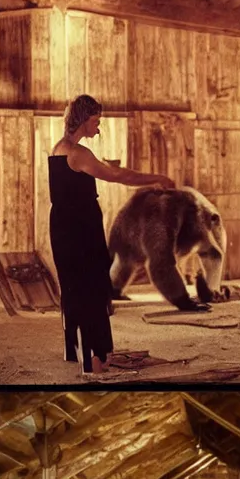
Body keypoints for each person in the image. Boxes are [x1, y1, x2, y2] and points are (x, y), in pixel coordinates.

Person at [48, 95, 176, 372]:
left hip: (64, 225)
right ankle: (93, 359)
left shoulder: (62, 148)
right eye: (96, 121)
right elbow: (119, 177)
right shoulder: (77, 154)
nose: (98, 127)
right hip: (79, 228)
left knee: (73, 287)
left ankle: (77, 353)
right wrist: (157, 178)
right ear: (83, 120)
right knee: (90, 287)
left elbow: (112, 170)